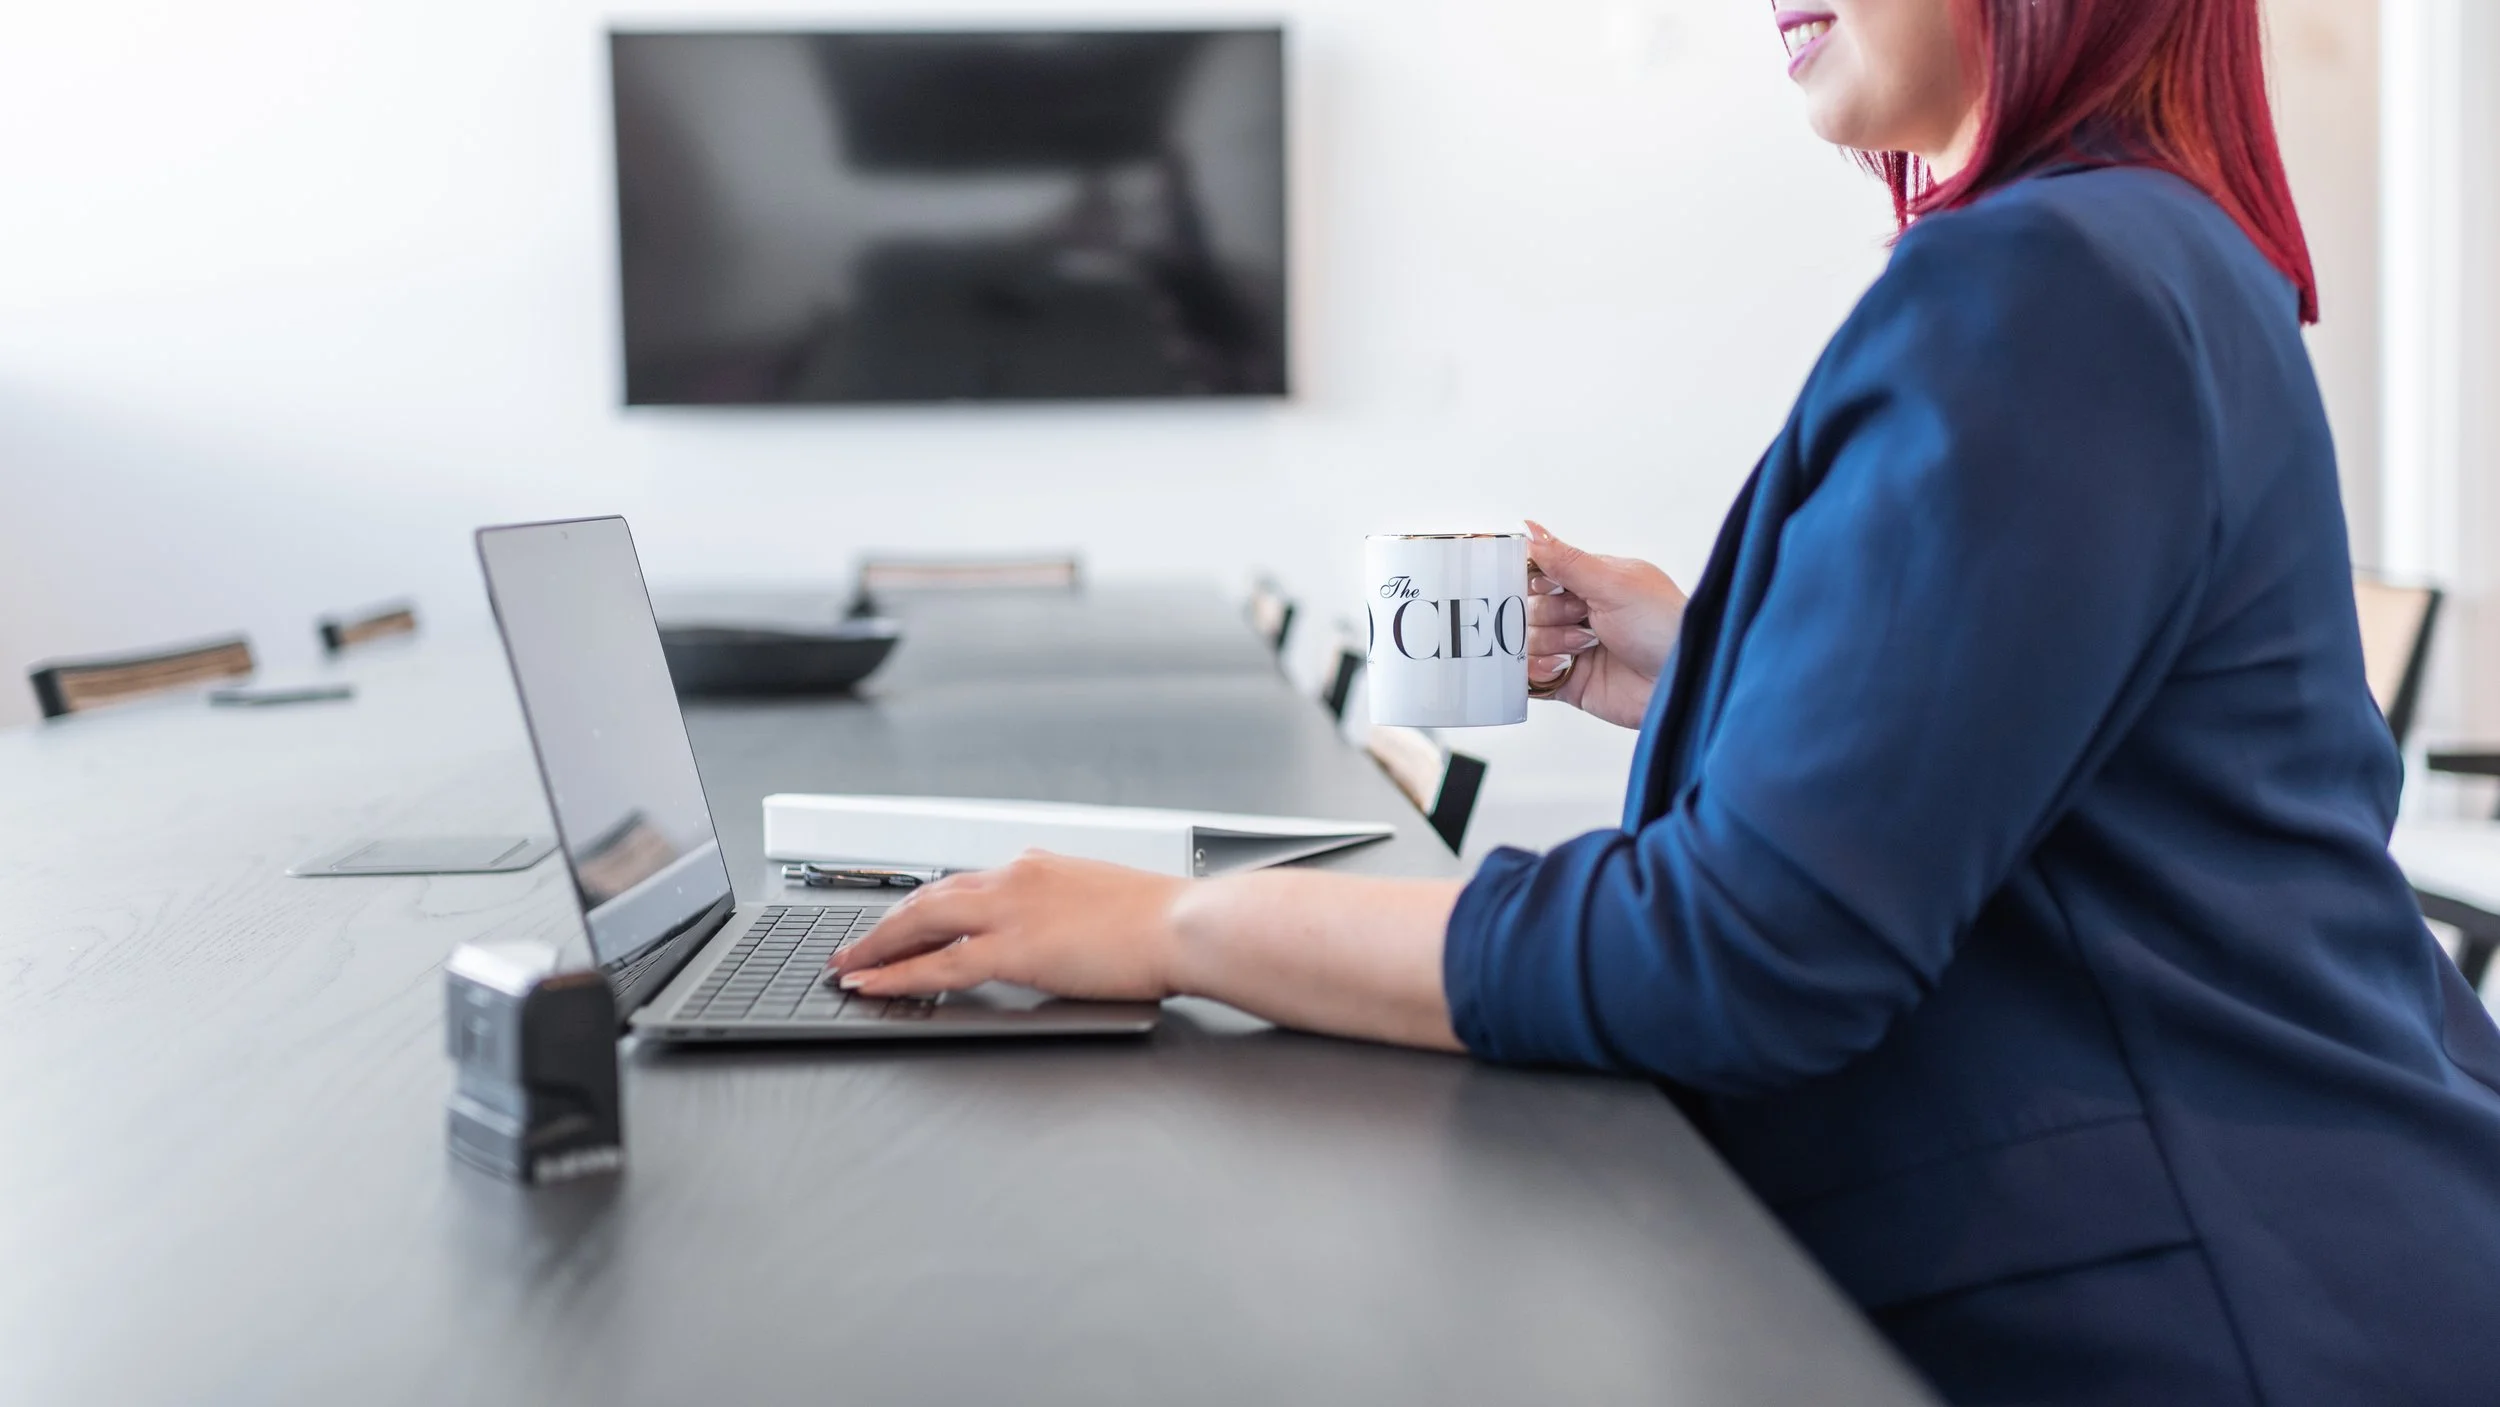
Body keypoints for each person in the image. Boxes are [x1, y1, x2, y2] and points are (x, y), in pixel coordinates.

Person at [831, 0, 2500, 1400]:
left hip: (2225, 1307)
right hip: (2328, 1240)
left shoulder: (2044, 284)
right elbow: (2101, 783)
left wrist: (1171, 931)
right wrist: (1719, 662)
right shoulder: (2161, 248)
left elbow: (1740, 955)